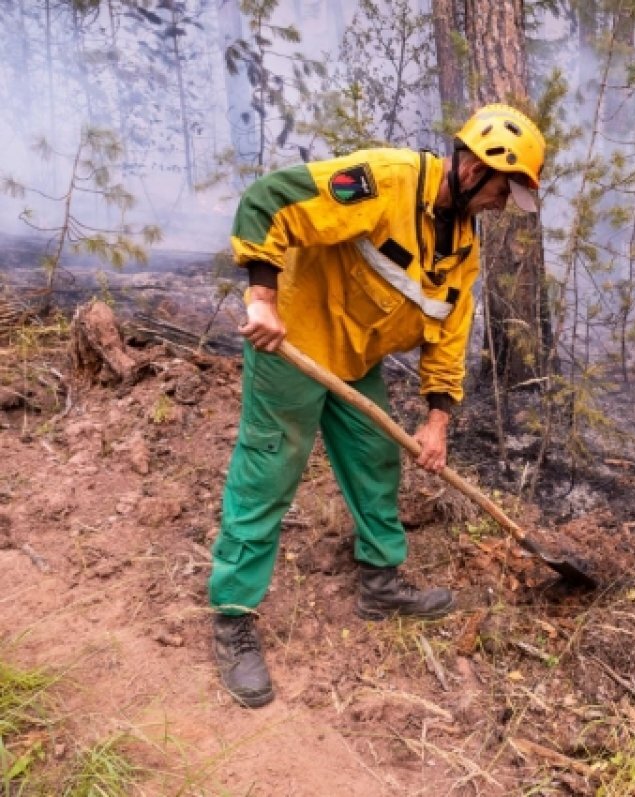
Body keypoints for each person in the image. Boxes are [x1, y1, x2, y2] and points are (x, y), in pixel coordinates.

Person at [209, 105, 546, 708]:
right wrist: (261, 297)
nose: (502, 205)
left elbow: (449, 338)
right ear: (474, 168)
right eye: (503, 190)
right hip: (294, 344)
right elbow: (269, 200)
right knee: (269, 473)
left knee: (376, 463)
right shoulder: (384, 181)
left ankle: (380, 586)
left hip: (355, 362)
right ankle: (233, 618)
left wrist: (437, 421)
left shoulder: (462, 252)